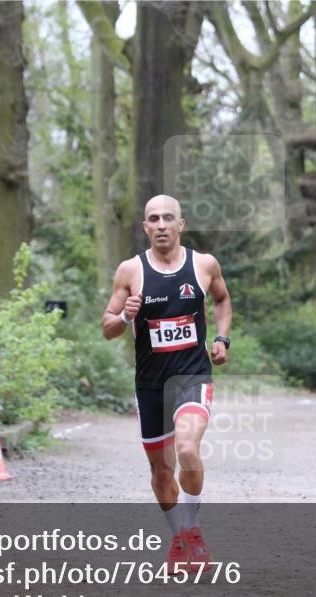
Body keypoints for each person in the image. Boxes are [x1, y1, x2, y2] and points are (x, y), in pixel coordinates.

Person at [101, 194, 232, 574]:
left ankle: (192, 530)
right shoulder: (130, 271)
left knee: (187, 449)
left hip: (192, 376)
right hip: (150, 385)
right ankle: (177, 539)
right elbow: (107, 327)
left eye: (168, 218)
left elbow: (222, 300)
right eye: (154, 219)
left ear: (181, 224)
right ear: (145, 227)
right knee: (161, 472)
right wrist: (125, 318)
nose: (161, 225)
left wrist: (222, 338)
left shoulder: (204, 265)